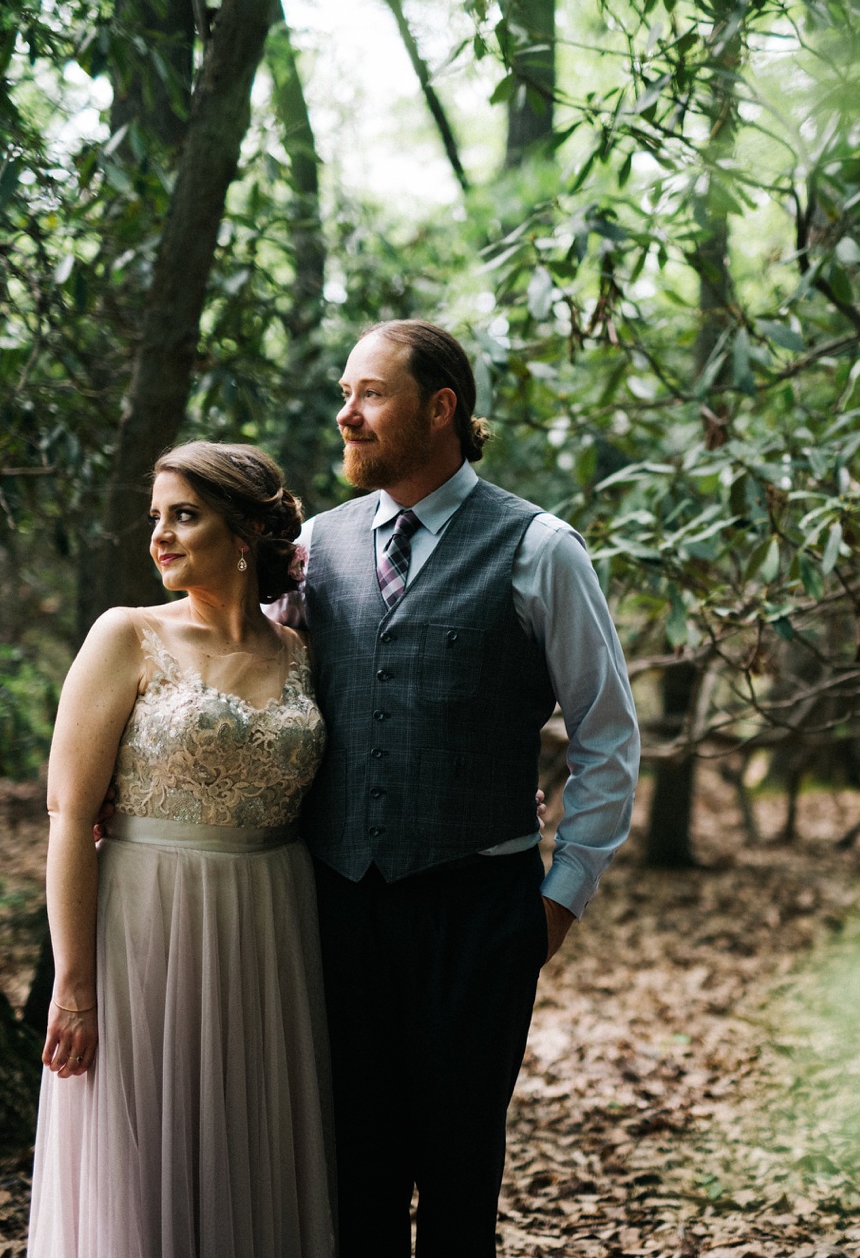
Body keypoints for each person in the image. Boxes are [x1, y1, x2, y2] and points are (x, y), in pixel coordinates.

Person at [280, 319, 640, 1256]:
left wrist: (558, 901)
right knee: (349, 1170)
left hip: (481, 906)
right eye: (346, 394)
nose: (345, 414)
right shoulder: (316, 548)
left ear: (441, 408)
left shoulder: (540, 547)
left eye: (368, 394)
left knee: (457, 1177)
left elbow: (606, 738)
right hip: (337, 902)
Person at [27, 442, 334, 1257]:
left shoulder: (303, 655)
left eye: (184, 515)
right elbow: (67, 813)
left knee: (252, 1146)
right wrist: (75, 982)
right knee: (147, 1157)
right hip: (147, 928)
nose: (160, 535)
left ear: (245, 533)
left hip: (272, 928)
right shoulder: (125, 635)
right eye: (156, 517)